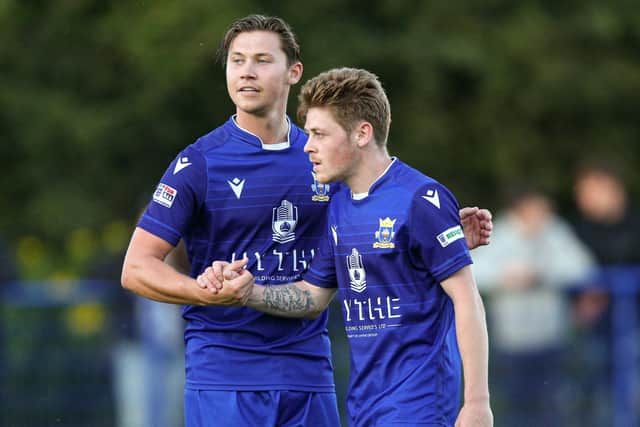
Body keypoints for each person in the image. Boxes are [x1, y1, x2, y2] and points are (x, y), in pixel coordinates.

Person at [121, 15, 493, 427]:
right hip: (226, 375)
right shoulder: (200, 162)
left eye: (262, 59)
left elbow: (375, 218)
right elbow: (136, 268)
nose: (246, 71)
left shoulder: (324, 155)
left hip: (310, 373)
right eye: (236, 60)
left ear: (293, 72)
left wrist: (434, 236)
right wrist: (203, 292)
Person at [203, 67, 493, 427]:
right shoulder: (339, 204)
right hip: (362, 407)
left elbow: (467, 299)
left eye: (320, 134)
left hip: (417, 407)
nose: (308, 145)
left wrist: (477, 402)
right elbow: (312, 296)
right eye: (308, 133)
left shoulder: (419, 198)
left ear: (362, 134)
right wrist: (248, 292)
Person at [471, 187, 594, 426]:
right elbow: (473, 271)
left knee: (552, 405)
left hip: (551, 338)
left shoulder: (556, 232)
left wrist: (542, 275)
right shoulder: (498, 233)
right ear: (522, 209)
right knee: (515, 405)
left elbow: (582, 268)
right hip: (511, 340)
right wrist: (505, 277)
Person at [571, 160, 640, 425]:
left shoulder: (635, 224)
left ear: (611, 188)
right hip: (597, 332)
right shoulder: (580, 230)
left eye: (589, 192)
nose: (584, 200)